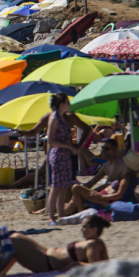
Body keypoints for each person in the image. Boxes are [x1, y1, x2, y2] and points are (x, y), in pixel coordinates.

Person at [10, 215, 111, 273]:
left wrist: (76, 264)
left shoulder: (93, 244)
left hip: (46, 264)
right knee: (16, 236)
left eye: (84, 227)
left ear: (94, 229)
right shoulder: (97, 243)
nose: (81, 229)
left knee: (12, 241)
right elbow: (107, 263)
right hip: (45, 253)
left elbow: (95, 267)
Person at [65, 150, 139, 215]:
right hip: (103, 197)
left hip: (104, 200)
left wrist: (100, 196)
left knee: (76, 188)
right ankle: (60, 215)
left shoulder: (127, 177)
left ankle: (80, 213)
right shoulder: (130, 176)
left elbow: (119, 195)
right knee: (74, 200)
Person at [46, 93, 78, 225]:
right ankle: (51, 218)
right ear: (61, 104)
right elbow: (51, 140)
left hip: (64, 154)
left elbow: (59, 136)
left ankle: (60, 216)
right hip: (58, 155)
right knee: (55, 187)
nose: (69, 104)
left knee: (63, 186)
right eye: (67, 102)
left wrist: (69, 133)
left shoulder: (62, 118)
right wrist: (68, 146)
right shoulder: (54, 118)